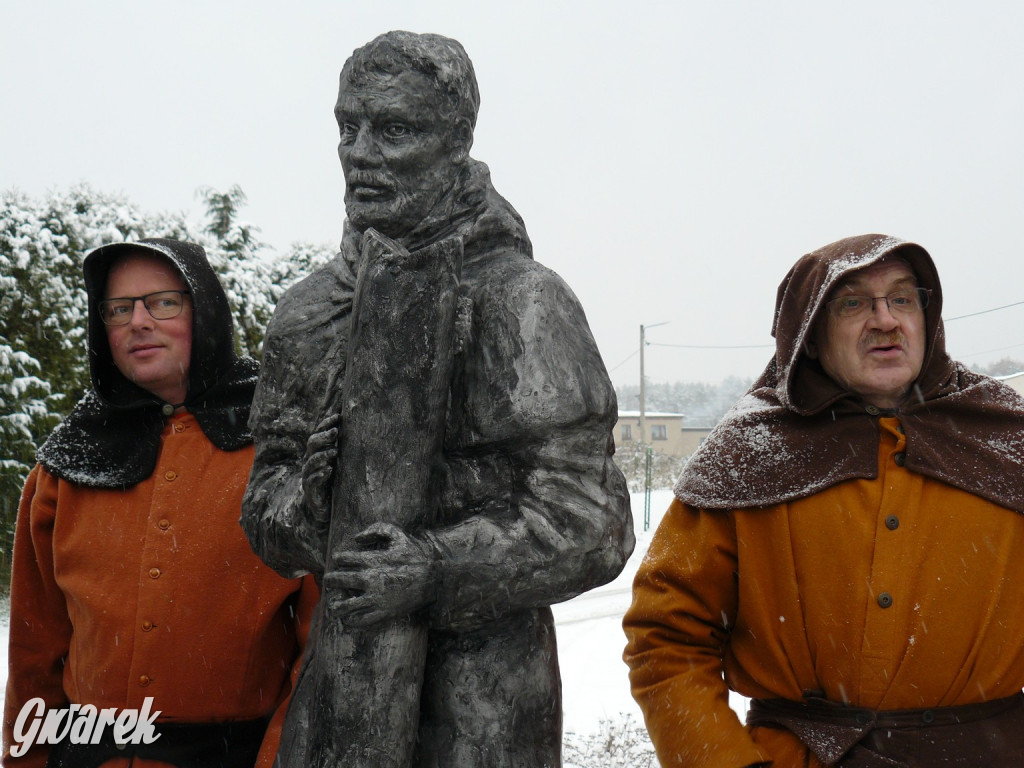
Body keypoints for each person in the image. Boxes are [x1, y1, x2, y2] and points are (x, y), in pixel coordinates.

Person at [241, 31, 634, 767]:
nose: (360, 153)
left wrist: (437, 569)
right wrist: (308, 505)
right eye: (347, 127)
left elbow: (593, 523)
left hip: (485, 703)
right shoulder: (308, 315)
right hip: (342, 698)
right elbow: (265, 508)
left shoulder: (525, 302)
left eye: (394, 130)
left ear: (455, 142)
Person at [623, 233, 1024, 768]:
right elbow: (666, 639)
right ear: (809, 334)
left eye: (903, 299)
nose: (885, 320)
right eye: (854, 303)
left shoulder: (1005, 437)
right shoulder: (748, 454)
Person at [3, 239, 319, 768]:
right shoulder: (64, 466)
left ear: (206, 311)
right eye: (119, 309)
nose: (138, 322)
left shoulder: (283, 450)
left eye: (163, 302)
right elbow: (34, 654)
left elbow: (319, 654)